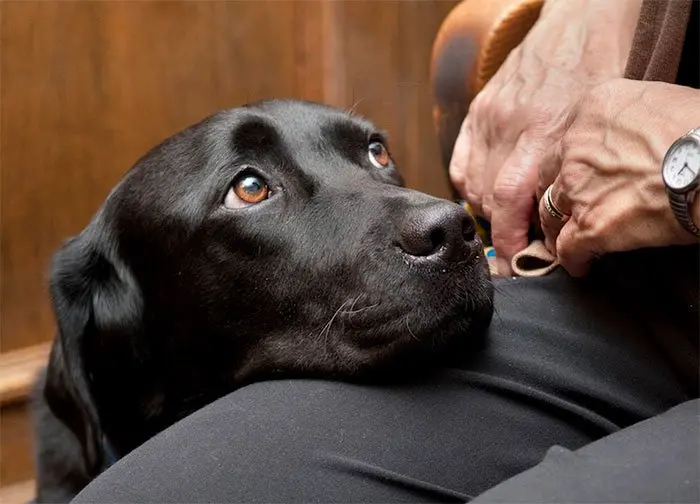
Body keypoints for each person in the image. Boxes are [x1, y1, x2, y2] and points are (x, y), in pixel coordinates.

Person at [71, 0, 699, 502]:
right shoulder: (96, 348)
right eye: (251, 189)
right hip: (631, 299)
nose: (435, 217)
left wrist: (686, 160)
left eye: (375, 156)